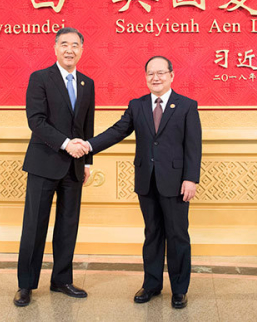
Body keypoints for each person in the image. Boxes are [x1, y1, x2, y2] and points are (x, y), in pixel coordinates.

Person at [84, 56, 201, 309]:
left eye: (161, 73)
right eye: (150, 73)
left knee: (178, 235)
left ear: (171, 75)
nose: (155, 78)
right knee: (152, 234)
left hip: (176, 183)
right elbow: (117, 131)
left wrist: (191, 179)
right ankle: (151, 284)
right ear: (145, 76)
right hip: (146, 181)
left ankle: (179, 289)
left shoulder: (186, 106)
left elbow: (193, 145)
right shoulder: (137, 105)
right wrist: (88, 146)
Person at [14, 27, 94, 307]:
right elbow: (35, 120)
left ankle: (61, 280)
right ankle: (26, 285)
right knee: (34, 225)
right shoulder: (40, 78)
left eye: (75, 45)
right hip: (43, 163)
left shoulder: (87, 83)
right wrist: (66, 144)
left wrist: (87, 161)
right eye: (64, 44)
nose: (70, 50)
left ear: (81, 49)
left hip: (74, 167)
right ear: (55, 48)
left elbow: (87, 124)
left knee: (68, 226)